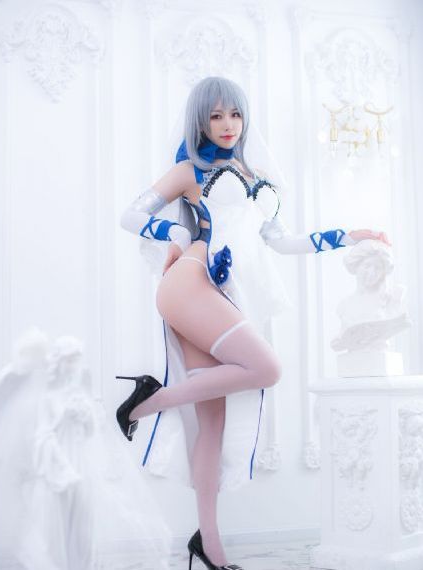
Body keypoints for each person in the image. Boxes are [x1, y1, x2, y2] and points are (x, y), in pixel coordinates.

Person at [116, 76, 391, 570]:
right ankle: (147, 402)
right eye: (216, 115)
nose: (228, 124)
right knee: (268, 368)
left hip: (225, 297)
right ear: (200, 121)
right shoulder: (189, 169)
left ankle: (210, 548)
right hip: (192, 281)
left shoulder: (257, 174)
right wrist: (176, 230)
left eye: (235, 114)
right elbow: (130, 215)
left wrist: (348, 236)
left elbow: (282, 242)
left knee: (213, 425)